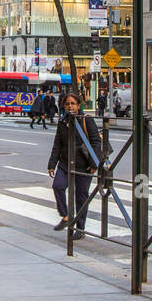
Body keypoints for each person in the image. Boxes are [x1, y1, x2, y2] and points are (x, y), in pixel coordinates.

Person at [46, 90, 104, 239]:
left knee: (81, 196)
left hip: (84, 164)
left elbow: (96, 142)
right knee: (58, 186)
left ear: (79, 105)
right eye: (67, 104)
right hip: (65, 162)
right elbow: (57, 144)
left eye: (73, 103)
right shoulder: (63, 122)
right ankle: (66, 216)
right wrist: (52, 164)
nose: (70, 106)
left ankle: (80, 228)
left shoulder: (86, 120)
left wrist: (93, 164)